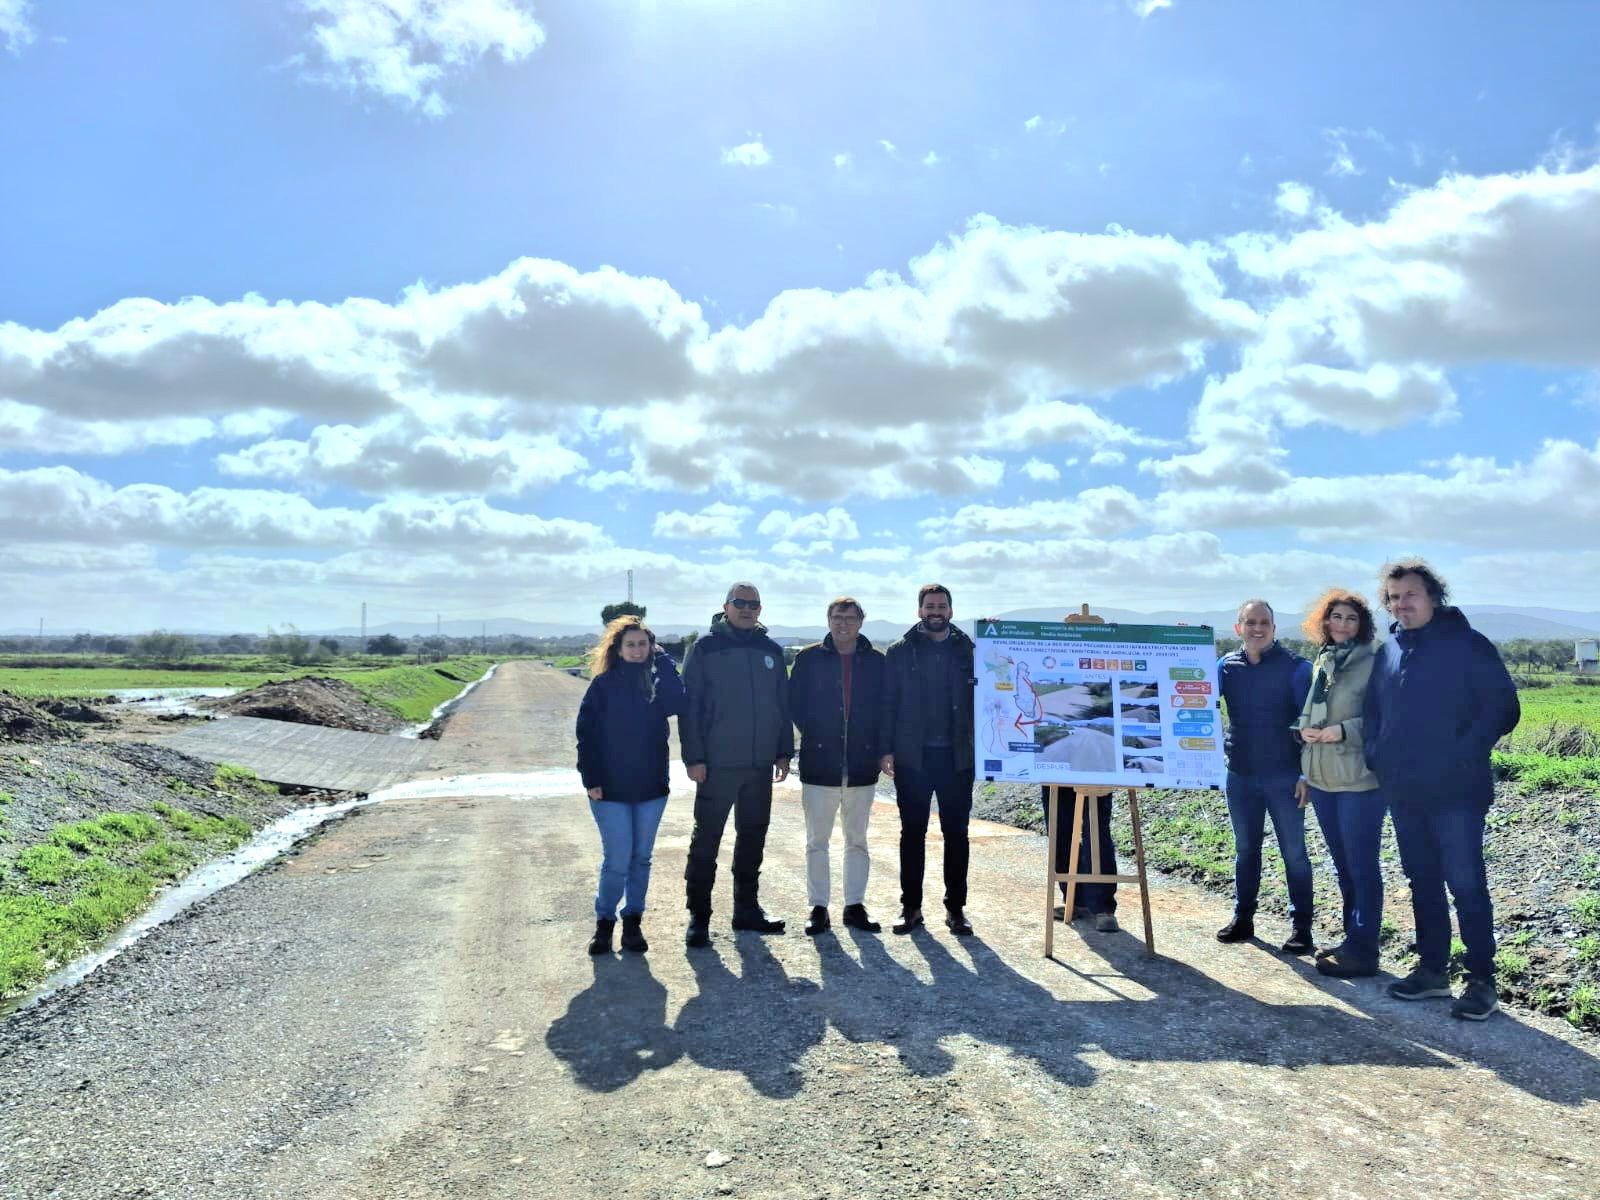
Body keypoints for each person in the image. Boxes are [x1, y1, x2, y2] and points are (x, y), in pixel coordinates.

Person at [1363, 558, 1519, 1020]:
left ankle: (1481, 979)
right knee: (1422, 880)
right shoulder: (1388, 650)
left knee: (1466, 883)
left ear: (1433, 596)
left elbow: (1503, 709)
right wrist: (1378, 754)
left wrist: (1463, 753)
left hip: (1458, 791)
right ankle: (1432, 970)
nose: (1401, 604)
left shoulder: (1469, 646)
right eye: (1393, 597)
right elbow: (1374, 711)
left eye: (1410, 594)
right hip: (1405, 790)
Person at [680, 582, 794, 946]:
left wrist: (783, 751)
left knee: (752, 839)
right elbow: (691, 708)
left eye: (754, 604)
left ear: (760, 609)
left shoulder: (771, 651)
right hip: (716, 765)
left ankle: (746, 911)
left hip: (759, 765)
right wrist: (694, 758)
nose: (747, 609)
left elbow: (782, 705)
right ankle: (699, 917)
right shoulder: (705, 649)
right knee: (707, 842)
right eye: (740, 603)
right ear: (725, 606)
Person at [574, 615, 686, 955]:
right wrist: (591, 779)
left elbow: (679, 701)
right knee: (617, 859)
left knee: (641, 859)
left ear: (650, 648)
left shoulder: (656, 683)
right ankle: (604, 924)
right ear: (618, 649)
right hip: (609, 789)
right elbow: (586, 736)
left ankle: (633, 923)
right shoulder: (603, 686)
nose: (637, 651)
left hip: (651, 787)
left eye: (643, 644)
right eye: (631, 645)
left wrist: (665, 660)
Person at [1216, 599, 1316, 954]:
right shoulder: (1225, 667)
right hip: (1240, 774)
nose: (1257, 629)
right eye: (1250, 622)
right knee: (1245, 850)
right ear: (1238, 628)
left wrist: (1306, 774)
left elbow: (1310, 726)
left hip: (1285, 776)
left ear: (1274, 628)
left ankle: (1302, 928)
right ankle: (1243, 918)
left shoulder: (1296, 669)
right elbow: (1194, 698)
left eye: (1264, 623)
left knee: (1295, 854)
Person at [1292, 590, 1383, 978]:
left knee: (1363, 867)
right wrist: (1304, 734)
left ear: (1362, 624)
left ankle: (1365, 949)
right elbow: (1313, 710)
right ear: (1324, 622)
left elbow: (1382, 717)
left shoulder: (1376, 660)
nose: (1343, 624)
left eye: (1351, 618)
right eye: (1336, 617)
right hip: (1323, 777)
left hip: (1359, 778)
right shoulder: (1324, 659)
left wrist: (1342, 731)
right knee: (1344, 866)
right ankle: (1352, 942)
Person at [882, 583, 977, 936]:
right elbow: (887, 703)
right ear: (919, 610)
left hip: (957, 758)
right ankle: (911, 908)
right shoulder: (899, 652)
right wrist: (886, 748)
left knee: (957, 834)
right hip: (913, 758)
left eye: (941, 605)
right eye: (929, 606)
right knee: (913, 834)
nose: (936, 611)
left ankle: (956, 910)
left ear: (951, 610)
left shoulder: (969, 649)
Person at [789, 596, 888, 936]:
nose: (842, 623)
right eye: (836, 617)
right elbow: (795, 705)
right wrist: (816, 733)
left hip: (861, 763)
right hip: (820, 763)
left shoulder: (876, 662)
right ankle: (818, 907)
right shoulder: (808, 659)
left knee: (857, 840)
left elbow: (885, 710)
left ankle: (854, 905)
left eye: (849, 617)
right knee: (817, 840)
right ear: (828, 620)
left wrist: (882, 749)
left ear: (861, 622)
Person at [1039, 786, 1120, 932]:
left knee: (1096, 832)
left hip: (1096, 771)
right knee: (1059, 831)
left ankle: (1103, 908)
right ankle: (1075, 900)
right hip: (1056, 769)